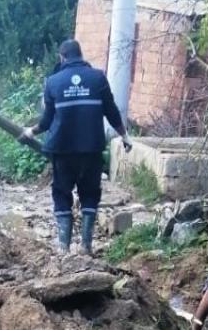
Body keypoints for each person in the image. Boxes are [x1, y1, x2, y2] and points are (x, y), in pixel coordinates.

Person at [21, 39, 133, 255]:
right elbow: (111, 112)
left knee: (61, 193)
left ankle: (63, 247)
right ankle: (86, 247)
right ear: (80, 55)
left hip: (62, 151)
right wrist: (125, 136)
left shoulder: (52, 82)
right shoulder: (98, 78)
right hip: (91, 149)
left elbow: (46, 121)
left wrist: (30, 131)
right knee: (90, 193)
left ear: (62, 57)